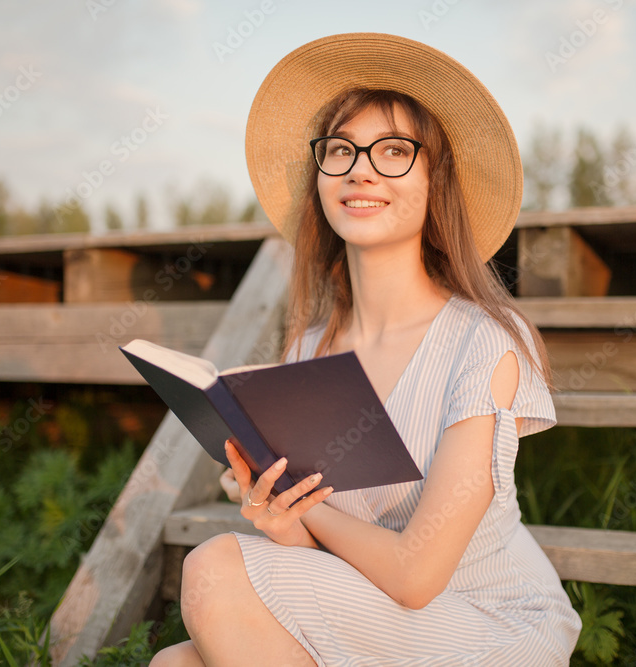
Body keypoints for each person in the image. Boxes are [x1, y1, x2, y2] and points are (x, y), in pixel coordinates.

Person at [150, 33, 581, 666]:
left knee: (214, 566)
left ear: (438, 183)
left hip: (486, 625)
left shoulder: (484, 343)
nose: (360, 169)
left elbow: (413, 575)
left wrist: (310, 508)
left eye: (395, 151)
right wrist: (280, 517)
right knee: (173, 666)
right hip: (378, 616)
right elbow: (323, 565)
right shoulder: (306, 350)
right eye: (341, 150)